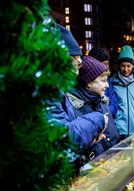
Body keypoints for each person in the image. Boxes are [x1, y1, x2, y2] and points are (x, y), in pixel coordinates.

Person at [47, 24, 108, 163]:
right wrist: (98, 120)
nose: (76, 72)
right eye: (77, 64)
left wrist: (90, 138)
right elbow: (63, 140)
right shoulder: (44, 93)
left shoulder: (56, 90)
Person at [67, 56, 120, 157]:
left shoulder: (103, 103)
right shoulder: (74, 109)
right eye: (103, 80)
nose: (107, 85)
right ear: (88, 83)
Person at [88, 46, 119, 117]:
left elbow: (114, 105)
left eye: (108, 63)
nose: (107, 67)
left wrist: (104, 113)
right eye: (105, 63)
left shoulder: (107, 80)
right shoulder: (86, 81)